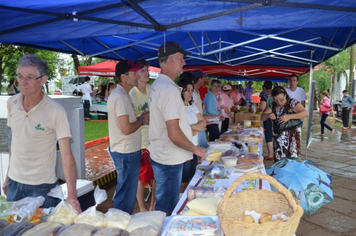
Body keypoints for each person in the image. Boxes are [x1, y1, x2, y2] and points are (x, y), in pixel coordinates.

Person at [4, 54, 81, 212]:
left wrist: (72, 195)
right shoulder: (12, 103)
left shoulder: (55, 111)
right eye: (20, 76)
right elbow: (15, 142)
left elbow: (67, 155)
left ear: (43, 80)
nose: (23, 83)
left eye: (30, 77)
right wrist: (7, 178)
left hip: (42, 188)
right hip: (14, 184)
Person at [148, 41, 205, 215]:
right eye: (181, 59)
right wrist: (195, 149)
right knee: (167, 210)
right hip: (169, 160)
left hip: (165, 156)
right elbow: (174, 133)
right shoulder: (168, 89)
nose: (184, 63)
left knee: (164, 207)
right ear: (171, 60)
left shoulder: (159, 85)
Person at [107, 60, 150, 214]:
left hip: (129, 151)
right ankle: (118, 225)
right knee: (125, 195)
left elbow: (127, 123)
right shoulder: (119, 97)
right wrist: (143, 119)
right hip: (126, 152)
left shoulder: (124, 95)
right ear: (124, 77)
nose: (137, 76)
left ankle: (120, 222)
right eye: (134, 73)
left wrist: (140, 117)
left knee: (127, 193)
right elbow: (126, 129)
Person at [129, 59, 156, 212]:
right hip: (141, 142)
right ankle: (142, 208)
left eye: (147, 69)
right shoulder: (132, 94)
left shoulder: (152, 90)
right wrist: (143, 117)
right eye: (143, 70)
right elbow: (130, 121)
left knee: (157, 175)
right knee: (141, 178)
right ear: (136, 74)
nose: (147, 73)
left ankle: (153, 206)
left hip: (155, 140)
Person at [261, 86, 308, 161]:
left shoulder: (292, 102)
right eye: (276, 100)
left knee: (293, 161)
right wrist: (268, 115)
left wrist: (290, 116)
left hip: (292, 139)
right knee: (279, 163)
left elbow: (305, 113)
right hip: (278, 140)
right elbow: (262, 117)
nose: (279, 102)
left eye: (281, 99)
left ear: (285, 95)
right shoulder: (273, 105)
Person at [177, 78, 206, 193]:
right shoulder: (179, 108)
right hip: (184, 149)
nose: (190, 93)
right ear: (181, 92)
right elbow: (180, 130)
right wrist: (194, 128)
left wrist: (190, 128)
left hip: (194, 147)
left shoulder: (192, 106)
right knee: (183, 183)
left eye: (191, 90)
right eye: (187, 90)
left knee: (191, 179)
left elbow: (203, 123)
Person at [191, 69, 208, 148]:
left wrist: (204, 116)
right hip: (196, 126)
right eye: (203, 78)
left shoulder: (196, 92)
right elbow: (192, 111)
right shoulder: (192, 94)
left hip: (200, 125)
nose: (204, 80)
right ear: (199, 79)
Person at [257, 80, 274, 160]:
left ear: (264, 87)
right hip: (275, 116)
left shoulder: (265, 96)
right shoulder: (275, 94)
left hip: (267, 116)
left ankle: (270, 154)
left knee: (268, 135)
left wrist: (257, 111)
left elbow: (262, 108)